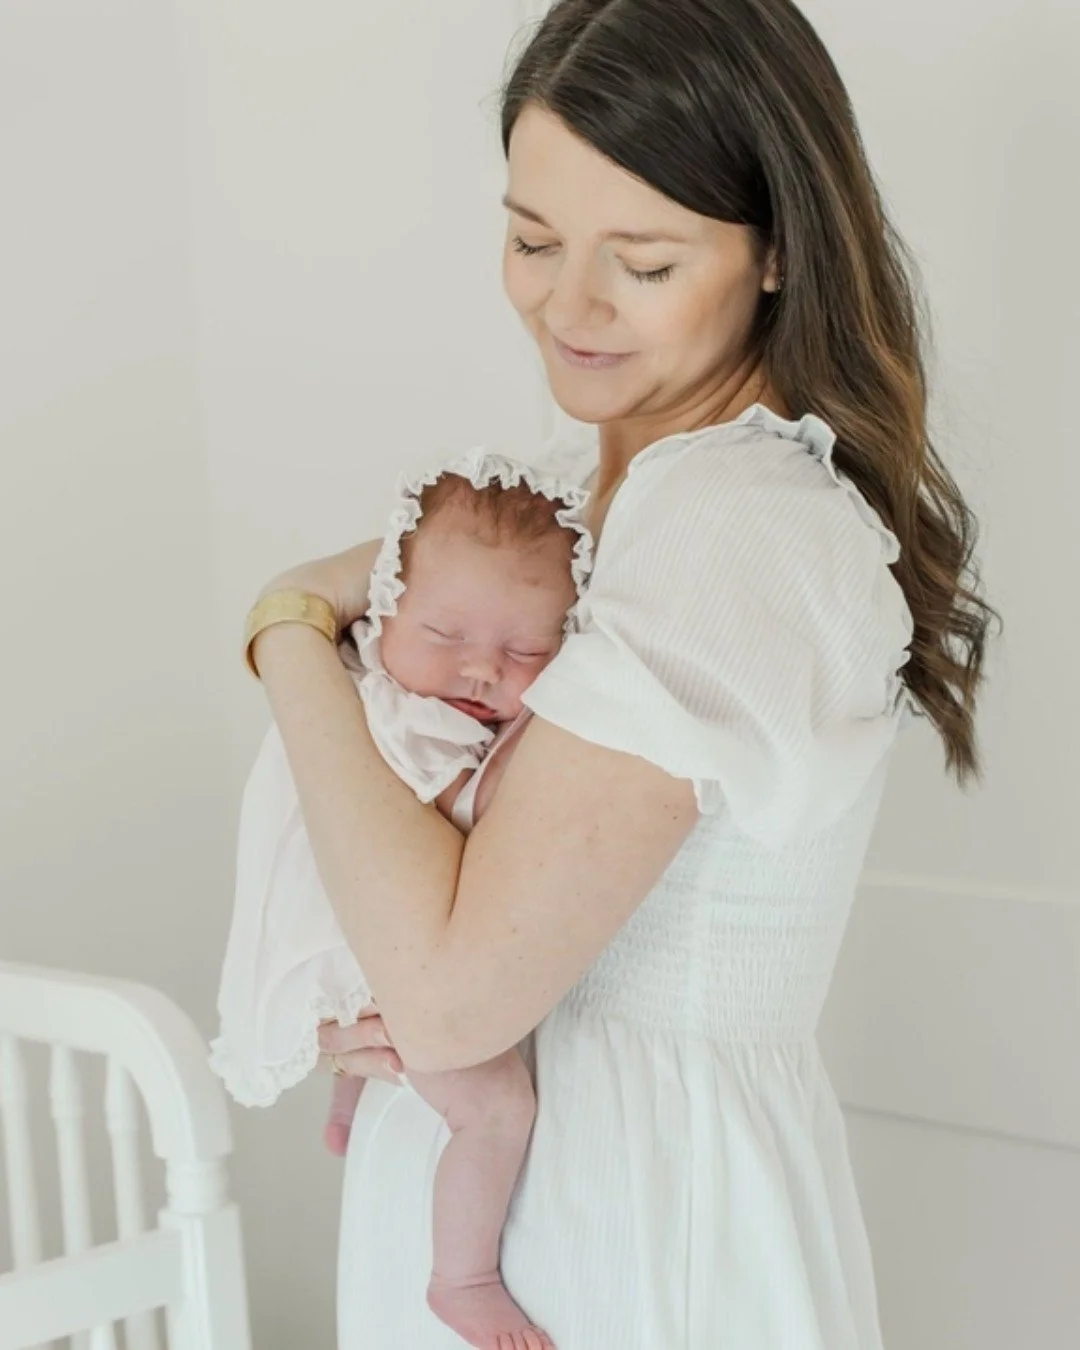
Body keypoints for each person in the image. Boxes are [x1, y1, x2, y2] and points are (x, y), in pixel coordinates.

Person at [242, 1, 998, 1346]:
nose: (567, 305)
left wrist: (283, 632)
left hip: (628, 1223)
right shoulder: (556, 501)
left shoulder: (735, 532)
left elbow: (458, 990)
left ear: (777, 255)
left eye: (641, 261)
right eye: (531, 239)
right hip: (492, 1186)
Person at [214, 453, 592, 1349]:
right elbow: (465, 838)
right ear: (383, 609)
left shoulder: (360, 690)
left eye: (526, 652)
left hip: (353, 947)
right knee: (498, 1108)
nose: (479, 672)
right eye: (445, 636)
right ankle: (462, 1277)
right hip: (383, 955)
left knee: (381, 1044)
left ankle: (351, 1104)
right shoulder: (410, 722)